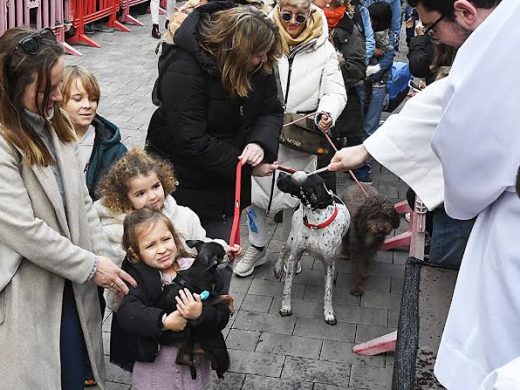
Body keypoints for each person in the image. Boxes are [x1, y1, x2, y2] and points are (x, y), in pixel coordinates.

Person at [331, 0, 520, 387]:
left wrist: (458, 189)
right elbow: (454, 96)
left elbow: (468, 166)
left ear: (465, 13)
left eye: (432, 29)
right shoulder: (499, 38)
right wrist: (369, 148)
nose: (433, 38)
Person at [0, 27, 136, 389]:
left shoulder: (53, 120)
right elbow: (22, 230)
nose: (59, 96)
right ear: (15, 85)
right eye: (49, 88)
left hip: (72, 283)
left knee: (78, 375)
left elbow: (82, 203)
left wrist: (109, 264)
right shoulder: (3, 140)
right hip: (29, 293)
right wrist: (91, 267)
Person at [146, 3, 283, 243]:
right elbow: (192, 140)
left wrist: (260, 145)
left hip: (226, 183)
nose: (262, 61)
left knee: (221, 262)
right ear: (237, 50)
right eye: (257, 55)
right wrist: (246, 166)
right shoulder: (185, 67)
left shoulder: (259, 63)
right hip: (186, 186)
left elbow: (271, 110)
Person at [233, 0, 347, 277]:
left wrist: (327, 112)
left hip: (301, 135)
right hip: (261, 129)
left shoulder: (324, 48)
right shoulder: (262, 36)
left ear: (310, 14)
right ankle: (257, 248)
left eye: (300, 16)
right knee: (255, 194)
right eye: (287, 15)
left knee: (295, 197)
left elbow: (335, 90)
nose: (293, 22)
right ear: (278, 10)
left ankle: (289, 250)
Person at [95, 147, 241, 308]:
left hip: (189, 302)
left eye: (156, 186)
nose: (152, 196)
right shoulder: (116, 231)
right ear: (123, 198)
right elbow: (120, 281)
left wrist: (221, 249)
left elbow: (201, 244)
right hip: (144, 309)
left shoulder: (184, 215)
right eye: (140, 193)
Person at [110, 208, 231, 388]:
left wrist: (200, 313)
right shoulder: (138, 279)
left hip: (194, 370)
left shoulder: (197, 269)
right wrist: (163, 321)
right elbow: (128, 314)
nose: (162, 249)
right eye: (150, 245)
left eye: (166, 239)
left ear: (175, 238)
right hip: (157, 373)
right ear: (135, 253)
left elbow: (221, 314)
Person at [61, 65, 127, 201]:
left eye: (92, 99)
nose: (87, 105)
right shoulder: (45, 140)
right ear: (59, 101)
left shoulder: (114, 150)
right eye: (77, 99)